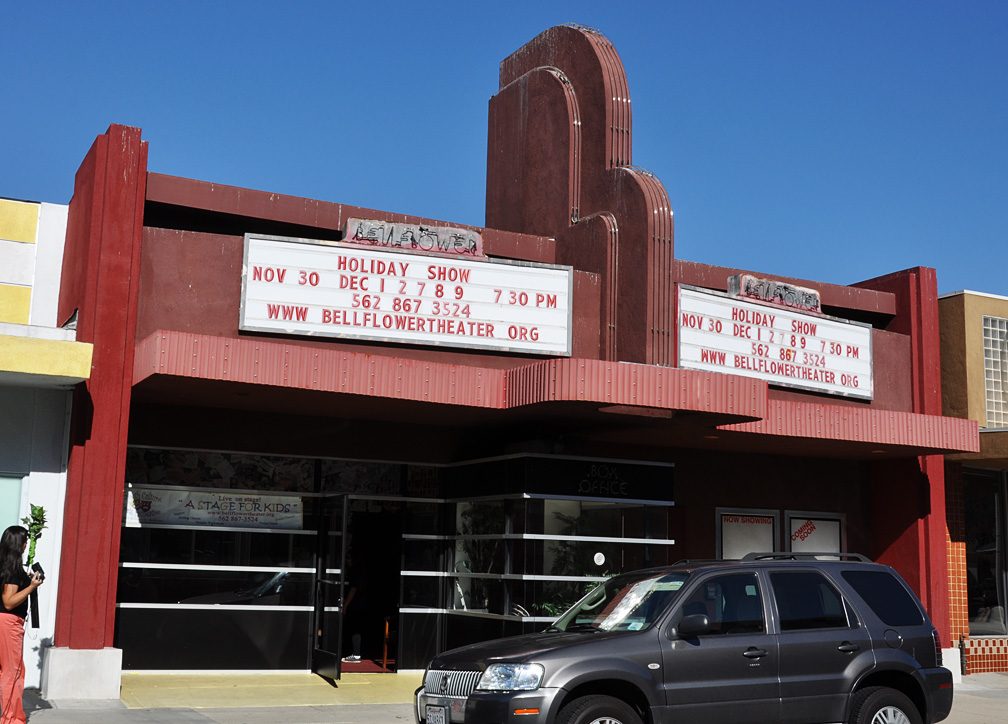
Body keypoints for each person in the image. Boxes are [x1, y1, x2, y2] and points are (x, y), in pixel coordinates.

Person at [0, 526, 42, 724]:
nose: (26, 544)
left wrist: (26, 580)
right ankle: (12, 719)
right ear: (20, 545)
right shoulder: (12, 569)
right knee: (12, 672)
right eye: (25, 541)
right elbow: (8, 601)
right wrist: (32, 586)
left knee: (9, 670)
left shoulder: (5, 566)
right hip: (8, 622)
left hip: (4, 622)